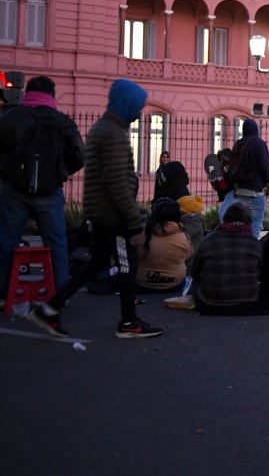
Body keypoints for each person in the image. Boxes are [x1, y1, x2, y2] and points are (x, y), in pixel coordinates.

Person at [27, 78, 162, 338]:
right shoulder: (114, 134)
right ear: (127, 104)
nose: (138, 112)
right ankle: (128, 322)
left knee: (96, 262)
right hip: (114, 215)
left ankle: (49, 309)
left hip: (99, 212)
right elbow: (116, 182)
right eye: (136, 106)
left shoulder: (103, 128)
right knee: (127, 263)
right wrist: (134, 219)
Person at [0, 75, 85, 305]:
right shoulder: (62, 121)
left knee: (7, 241)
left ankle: (2, 293)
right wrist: (60, 174)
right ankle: (61, 294)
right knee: (56, 242)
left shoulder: (11, 118)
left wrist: (7, 174)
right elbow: (79, 156)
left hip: (14, 190)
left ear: (27, 92)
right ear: (52, 94)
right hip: (49, 191)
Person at [191, 202, 263, 315]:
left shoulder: (209, 239)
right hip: (247, 301)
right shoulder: (254, 242)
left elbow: (195, 271)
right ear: (249, 221)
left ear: (225, 219)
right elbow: (261, 272)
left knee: (195, 283)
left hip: (210, 303)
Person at [220, 118, 269, 239]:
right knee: (256, 221)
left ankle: (239, 243)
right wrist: (266, 181)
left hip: (240, 189)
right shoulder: (259, 143)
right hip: (255, 189)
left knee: (242, 220)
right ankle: (251, 247)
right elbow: (264, 166)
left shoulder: (238, 144)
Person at [137, 197, 192, 293]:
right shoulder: (184, 236)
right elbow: (188, 256)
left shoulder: (141, 233)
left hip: (142, 283)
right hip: (174, 284)